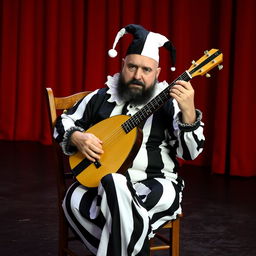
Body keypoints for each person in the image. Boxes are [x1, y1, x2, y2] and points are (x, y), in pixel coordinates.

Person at [54, 24, 205, 256]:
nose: (137, 76)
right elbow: (63, 122)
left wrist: (189, 112)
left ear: (158, 73)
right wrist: (77, 136)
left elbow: (190, 153)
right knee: (78, 199)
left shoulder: (171, 103)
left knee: (117, 185)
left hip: (154, 185)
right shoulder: (101, 97)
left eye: (146, 70)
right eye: (132, 67)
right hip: (95, 185)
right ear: (122, 65)